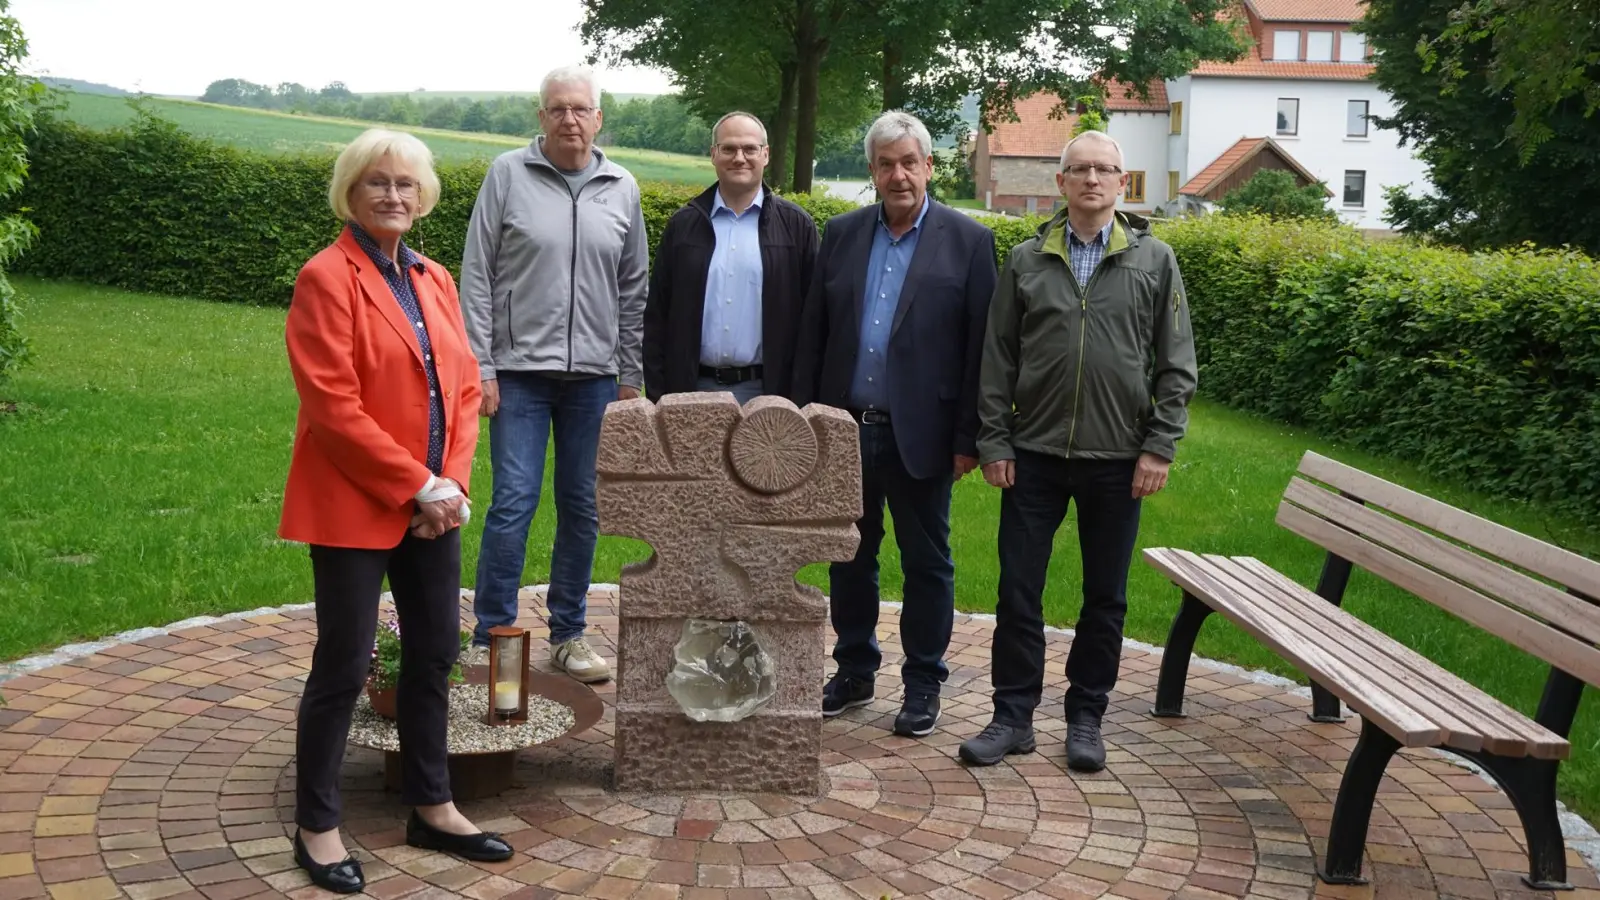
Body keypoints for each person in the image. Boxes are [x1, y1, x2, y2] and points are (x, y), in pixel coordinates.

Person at [280, 128, 512, 893]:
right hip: (356, 502)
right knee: (343, 667)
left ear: (424, 196)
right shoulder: (326, 276)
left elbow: (464, 388)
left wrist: (449, 486)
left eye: (406, 184)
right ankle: (316, 826)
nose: (392, 195)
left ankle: (432, 804)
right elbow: (333, 407)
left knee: (436, 652)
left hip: (431, 505)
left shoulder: (433, 277)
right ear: (351, 191)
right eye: (377, 182)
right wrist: (417, 485)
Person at [962, 130, 1197, 772]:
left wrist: (1159, 448)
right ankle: (1011, 717)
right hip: (1032, 454)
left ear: (1123, 183)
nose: (1092, 179)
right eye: (1079, 169)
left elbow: (1177, 368)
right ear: (1060, 183)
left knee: (1106, 596)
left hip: (1119, 461)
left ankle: (1087, 717)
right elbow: (996, 362)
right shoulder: (1027, 260)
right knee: (1018, 589)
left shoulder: (1155, 261)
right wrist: (994, 438)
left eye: (1105, 170)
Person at [791, 110, 997, 738]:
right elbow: (814, 336)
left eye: (910, 162)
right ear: (872, 172)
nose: (899, 175)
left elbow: (980, 352)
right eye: (886, 164)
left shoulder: (968, 241)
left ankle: (924, 683)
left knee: (927, 562)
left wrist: (969, 439)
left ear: (929, 167)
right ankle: (854, 670)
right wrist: (808, 420)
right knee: (850, 557)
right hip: (844, 428)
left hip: (923, 434)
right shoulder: (844, 233)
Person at [459, 65, 649, 683]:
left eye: (581, 109)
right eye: (557, 109)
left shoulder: (622, 185)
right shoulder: (507, 175)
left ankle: (568, 634)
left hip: (594, 378)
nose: (570, 119)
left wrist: (629, 373)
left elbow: (633, 288)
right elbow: (478, 275)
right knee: (512, 501)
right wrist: (482, 365)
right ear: (540, 117)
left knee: (583, 506)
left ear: (599, 118)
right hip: (517, 374)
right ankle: (492, 635)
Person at [643, 112, 818, 404]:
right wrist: (661, 396)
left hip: (769, 395)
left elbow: (814, 323)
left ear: (766, 155)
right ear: (713, 154)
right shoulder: (683, 226)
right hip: (691, 391)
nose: (739, 158)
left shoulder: (797, 227)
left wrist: (799, 398)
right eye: (728, 149)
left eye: (749, 148)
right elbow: (658, 317)